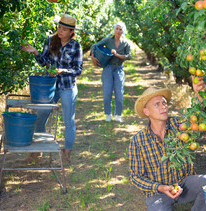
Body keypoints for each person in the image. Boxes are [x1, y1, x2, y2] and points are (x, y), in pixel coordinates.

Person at [128, 83, 206, 211]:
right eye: (157, 104)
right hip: (158, 191)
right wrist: (160, 187)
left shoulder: (179, 126)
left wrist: (199, 95)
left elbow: (196, 119)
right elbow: (135, 176)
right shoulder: (138, 141)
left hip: (183, 184)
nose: (163, 106)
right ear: (146, 111)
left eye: (164, 103)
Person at [22, 14, 83, 163]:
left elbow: (78, 70)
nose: (60, 31)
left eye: (64, 29)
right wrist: (36, 52)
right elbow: (44, 63)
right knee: (40, 118)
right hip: (49, 86)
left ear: (71, 32)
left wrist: (64, 70)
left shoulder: (76, 46)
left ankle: (66, 153)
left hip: (67, 86)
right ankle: (38, 151)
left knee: (68, 120)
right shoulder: (50, 41)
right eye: (59, 27)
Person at [90, 22, 132, 122]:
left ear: (123, 31)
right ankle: (108, 114)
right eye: (117, 28)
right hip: (107, 68)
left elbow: (129, 56)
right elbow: (94, 46)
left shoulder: (125, 43)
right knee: (107, 92)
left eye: (120, 29)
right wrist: (92, 57)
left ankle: (118, 115)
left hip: (119, 69)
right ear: (114, 29)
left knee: (119, 93)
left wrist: (116, 54)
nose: (118, 31)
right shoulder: (108, 40)